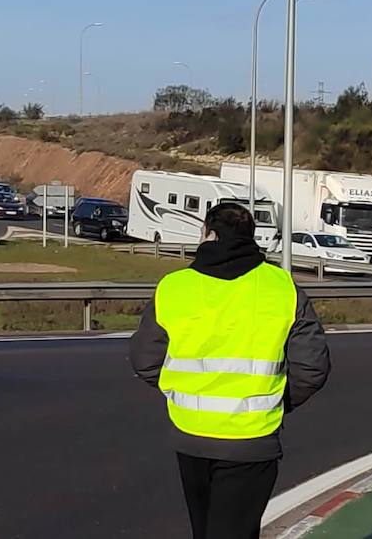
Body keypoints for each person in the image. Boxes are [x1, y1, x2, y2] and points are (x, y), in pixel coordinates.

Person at [129, 202, 330, 538]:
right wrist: (275, 399)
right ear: (251, 237)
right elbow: (312, 367)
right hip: (252, 440)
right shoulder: (282, 288)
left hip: (191, 437)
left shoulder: (174, 287)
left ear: (209, 233)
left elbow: (144, 360)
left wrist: (183, 392)